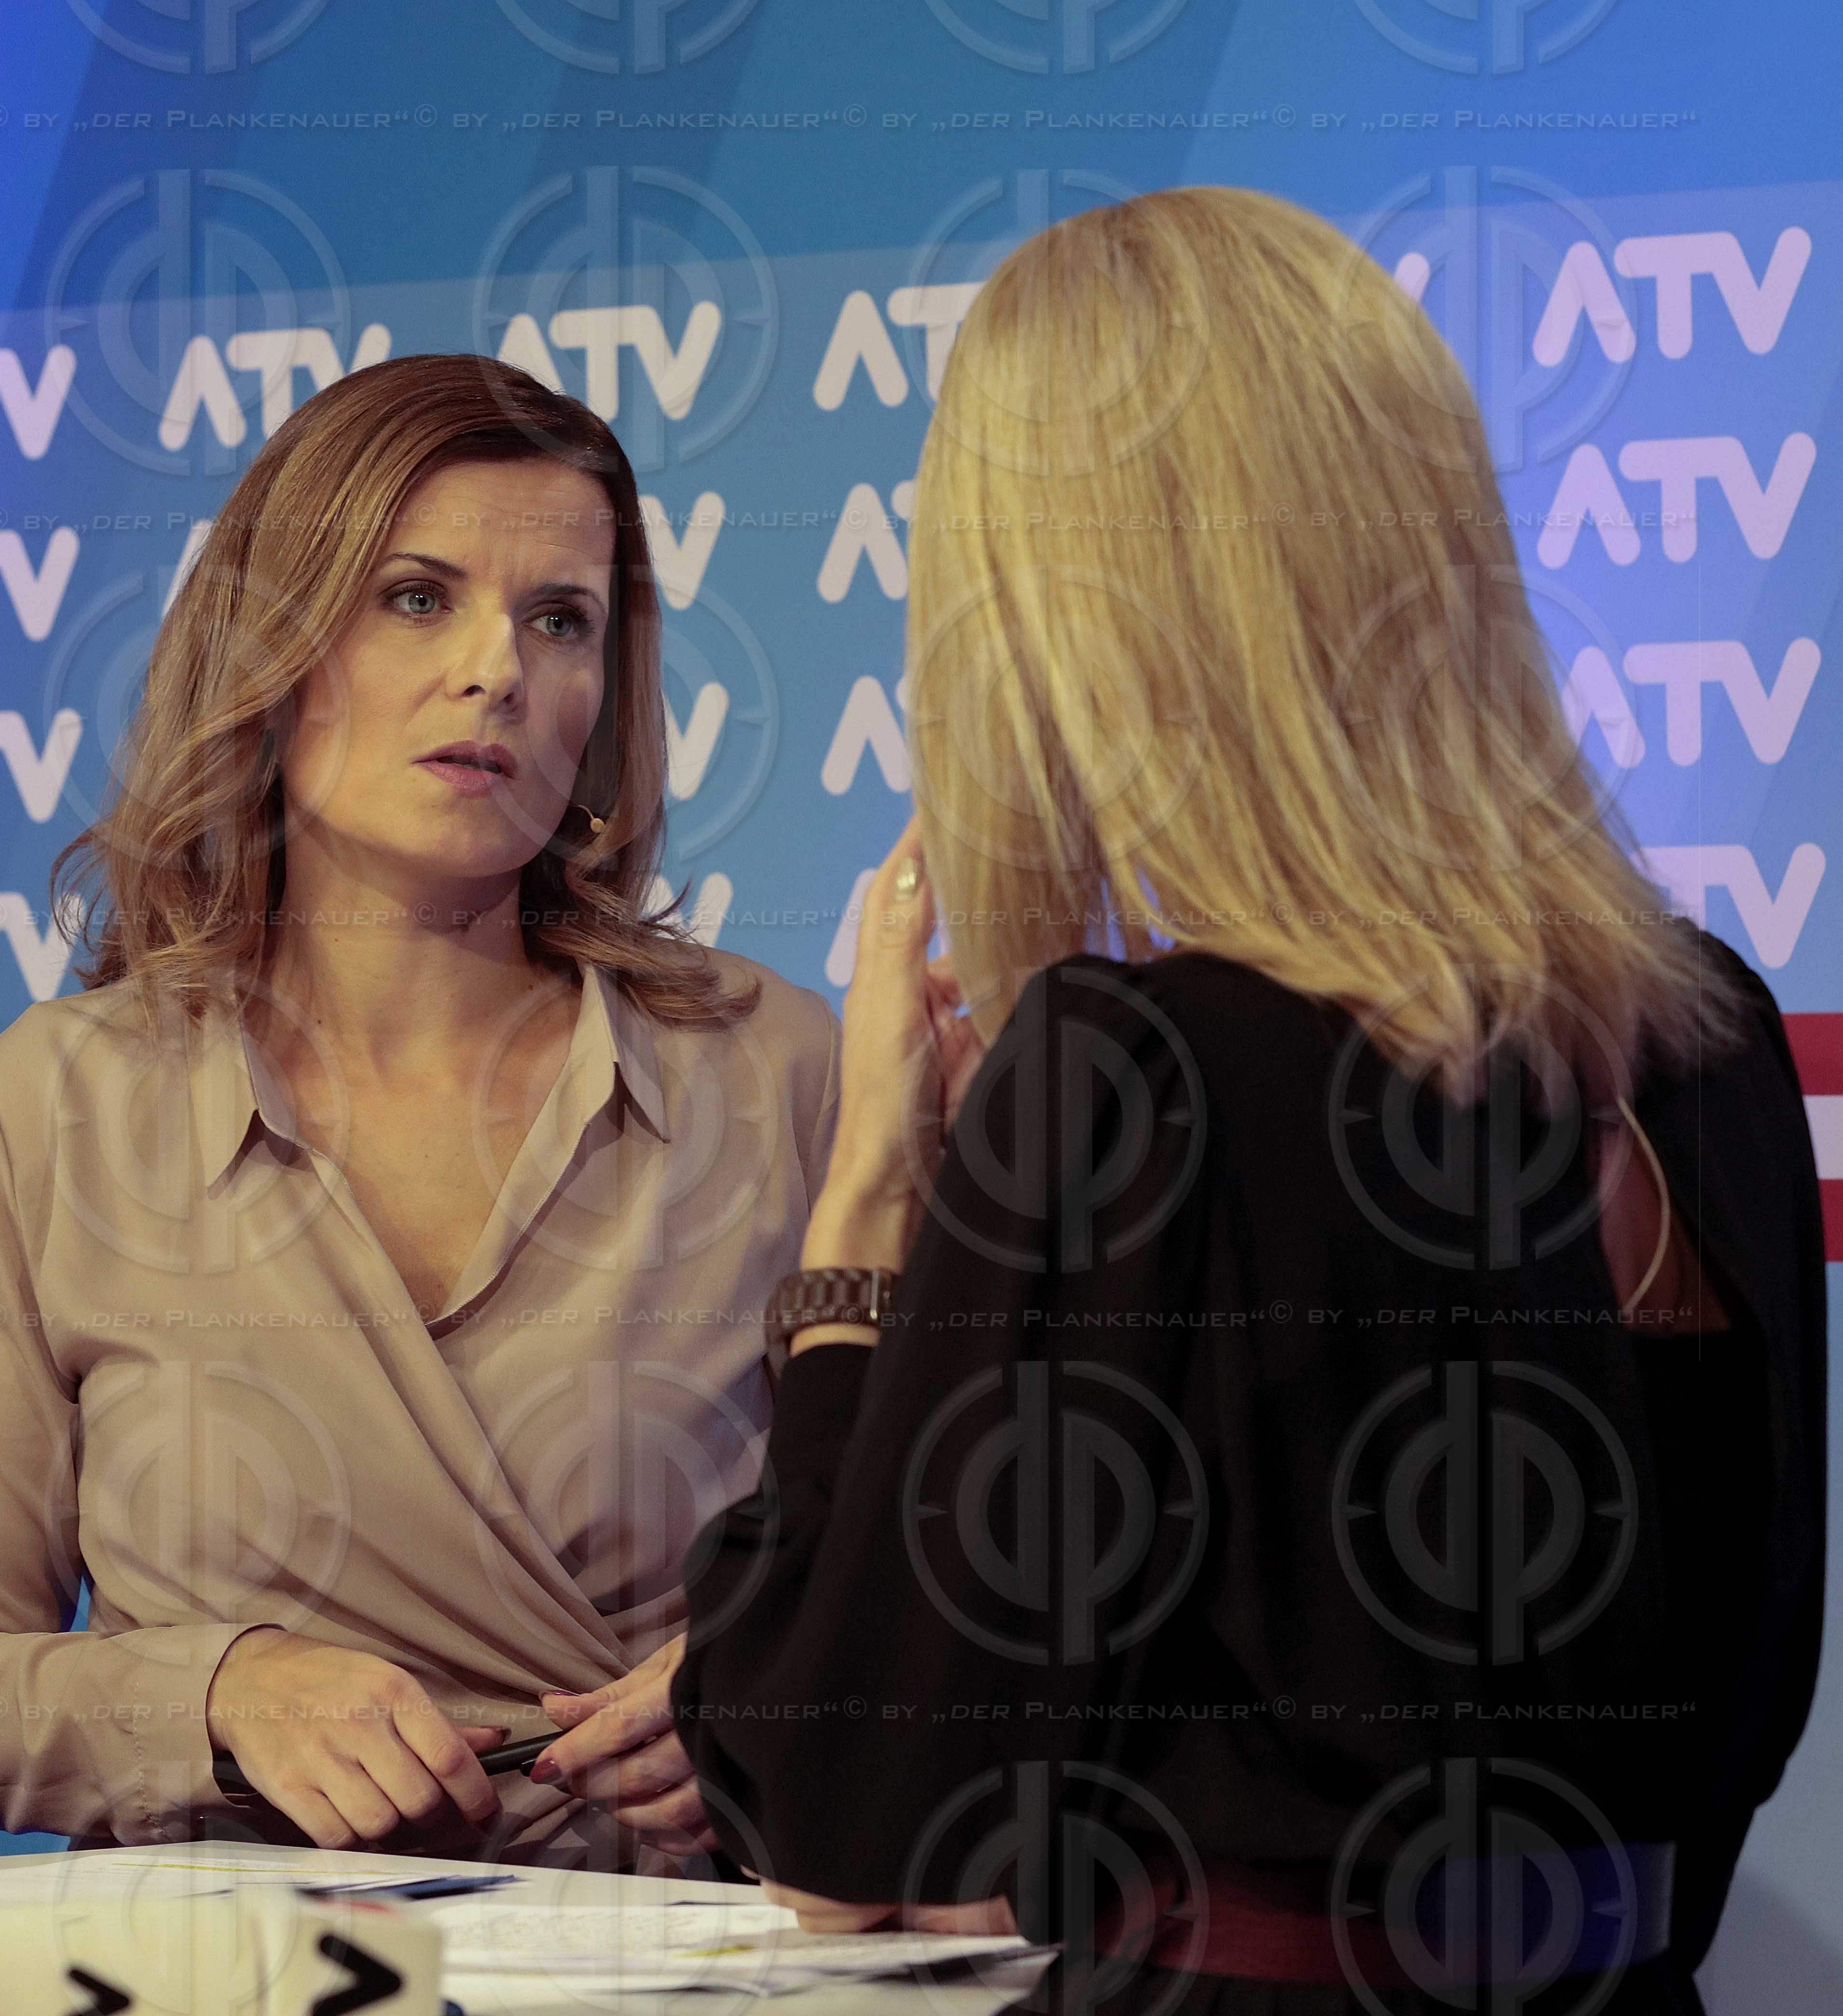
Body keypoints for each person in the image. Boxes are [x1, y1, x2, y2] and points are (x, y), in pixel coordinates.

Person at [669, 188, 1826, 2013]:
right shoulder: (1718, 1037)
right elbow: (1739, 1717)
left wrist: (866, 1219)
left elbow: (833, 1807)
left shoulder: (1139, 1071)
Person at [0, 353, 838, 1870]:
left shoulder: (774, 1071)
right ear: (274, 644)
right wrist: (217, 1691)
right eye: (417, 597)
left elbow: (970, 1600)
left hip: (667, 1954)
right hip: (230, 1962)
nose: (496, 670)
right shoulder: (47, 1109)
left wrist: (787, 1685)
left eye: (559, 620)